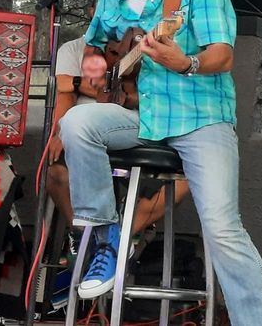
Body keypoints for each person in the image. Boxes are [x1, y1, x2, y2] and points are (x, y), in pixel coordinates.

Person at [60, 0, 262, 325]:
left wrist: (187, 62)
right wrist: (105, 75)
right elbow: (96, 49)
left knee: (222, 229)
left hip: (201, 119)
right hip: (138, 114)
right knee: (77, 121)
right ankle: (107, 240)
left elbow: (224, 54)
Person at [46, 34, 186, 230]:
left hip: (135, 127)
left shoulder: (144, 43)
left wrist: (77, 82)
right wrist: (60, 131)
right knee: (56, 171)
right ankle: (84, 236)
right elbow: (64, 93)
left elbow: (135, 96)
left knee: (190, 174)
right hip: (83, 131)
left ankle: (123, 237)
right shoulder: (72, 48)